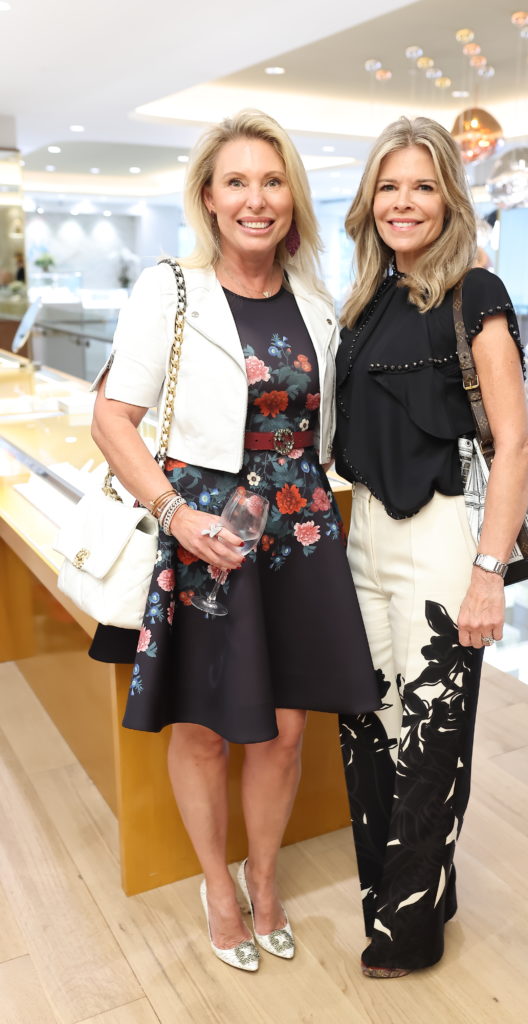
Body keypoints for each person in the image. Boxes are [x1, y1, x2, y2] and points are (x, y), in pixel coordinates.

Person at [90, 110, 379, 973]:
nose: (256, 199)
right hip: (203, 533)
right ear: (209, 199)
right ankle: (217, 885)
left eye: (272, 180)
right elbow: (112, 417)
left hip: (301, 532)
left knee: (285, 732)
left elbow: (333, 430)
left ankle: (265, 876)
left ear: (292, 197)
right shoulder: (170, 290)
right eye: (237, 182)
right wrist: (176, 514)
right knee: (206, 728)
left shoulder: (320, 305)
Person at [335, 116, 528, 977]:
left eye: (421, 186)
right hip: (365, 535)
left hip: (444, 539)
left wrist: (487, 574)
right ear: (368, 201)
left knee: (428, 742)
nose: (403, 202)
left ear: (449, 198)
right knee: (367, 730)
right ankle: (405, 895)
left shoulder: (474, 292)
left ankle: (408, 933)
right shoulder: (364, 302)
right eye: (388, 186)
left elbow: (513, 443)